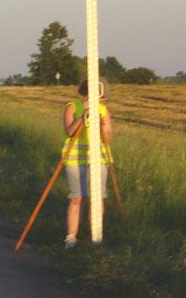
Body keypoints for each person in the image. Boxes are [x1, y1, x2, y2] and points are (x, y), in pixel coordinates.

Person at [61, 80, 112, 249]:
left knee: (97, 199)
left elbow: (109, 138)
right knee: (77, 198)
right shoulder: (72, 107)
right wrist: (83, 118)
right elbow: (70, 132)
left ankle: (96, 237)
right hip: (75, 160)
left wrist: (103, 126)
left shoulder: (103, 111)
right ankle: (71, 237)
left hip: (98, 159)